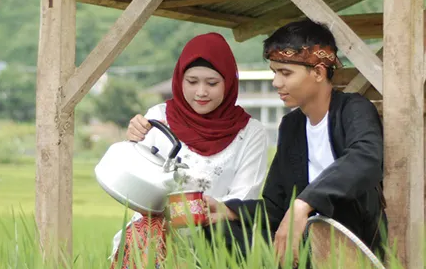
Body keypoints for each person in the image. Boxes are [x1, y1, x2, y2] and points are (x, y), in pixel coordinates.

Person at [204, 18, 387, 266]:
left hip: (349, 241)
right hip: (302, 240)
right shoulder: (291, 126)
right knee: (218, 232)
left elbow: (366, 158)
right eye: (274, 72)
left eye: (285, 73)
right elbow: (276, 205)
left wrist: (305, 203)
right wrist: (230, 210)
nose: (276, 82)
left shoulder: (353, 109)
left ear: (319, 72)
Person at [109, 32, 269, 268]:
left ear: (229, 81)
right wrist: (132, 141)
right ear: (179, 80)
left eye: (212, 83)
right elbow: (136, 184)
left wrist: (196, 215)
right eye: (192, 82)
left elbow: (243, 198)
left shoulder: (251, 133)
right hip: (155, 237)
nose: (201, 92)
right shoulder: (158, 118)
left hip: (216, 241)